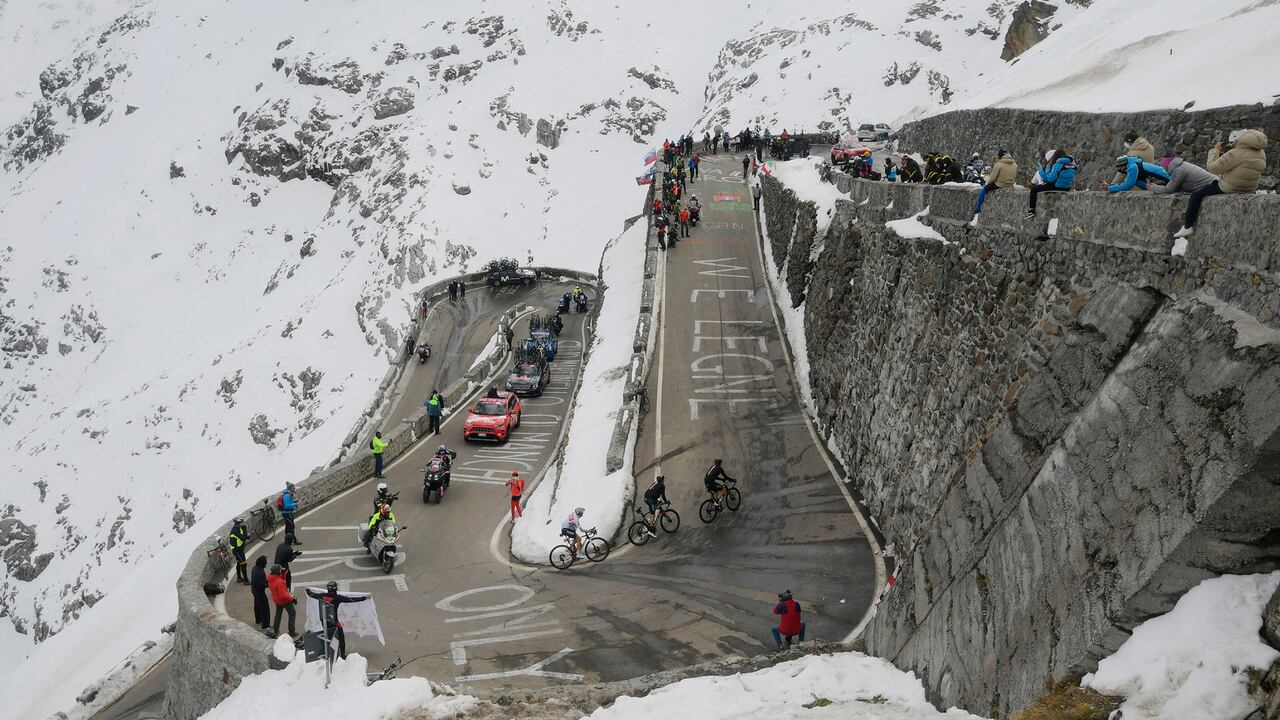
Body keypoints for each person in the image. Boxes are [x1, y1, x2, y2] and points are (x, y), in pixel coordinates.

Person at [1175, 129, 1268, 238]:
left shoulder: (1236, 153)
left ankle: (1188, 226)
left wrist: (1215, 151)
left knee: (1196, 195)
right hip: (1249, 189)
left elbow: (1212, 168)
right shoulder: (1261, 153)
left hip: (1230, 187)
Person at [306, 581, 370, 660]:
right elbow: (351, 599)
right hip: (334, 622)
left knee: (328, 637)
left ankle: (329, 652)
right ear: (335, 589)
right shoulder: (337, 598)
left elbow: (311, 594)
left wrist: (307, 590)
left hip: (324, 621)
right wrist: (365, 598)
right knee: (341, 639)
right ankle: (342, 655)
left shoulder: (322, 596)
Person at [1025, 150, 1077, 218]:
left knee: (1034, 190)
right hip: (1067, 187)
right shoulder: (1073, 165)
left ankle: (1031, 210)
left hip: (1057, 186)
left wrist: (1041, 172)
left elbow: (1050, 179)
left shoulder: (1057, 164)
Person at [971, 149, 1017, 220]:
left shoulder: (999, 164)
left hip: (1000, 184)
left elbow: (992, 178)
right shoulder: (1014, 164)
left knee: (983, 190)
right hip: (1010, 184)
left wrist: (987, 183)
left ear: (1000, 156)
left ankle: (978, 208)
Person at [1150, 155, 1217, 196]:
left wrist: (1153, 188)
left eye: (1163, 167)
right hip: (1213, 183)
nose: (1163, 169)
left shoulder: (1179, 170)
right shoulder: (1181, 165)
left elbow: (1169, 190)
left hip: (1212, 185)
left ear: (1167, 166)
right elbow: (1175, 186)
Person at [1103, 155, 1170, 193]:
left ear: (1124, 165)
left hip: (1166, 181)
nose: (1120, 170)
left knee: (1131, 181)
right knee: (1134, 180)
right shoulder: (1134, 164)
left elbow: (1128, 186)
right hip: (1163, 180)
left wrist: (1110, 188)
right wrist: (1111, 186)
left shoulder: (1133, 167)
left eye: (1120, 168)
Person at [266, 564, 297, 638]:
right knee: (292, 613)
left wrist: (282, 572)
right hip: (284, 600)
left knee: (278, 614)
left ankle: (276, 629)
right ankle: (292, 631)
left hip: (277, 600)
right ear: (277, 572)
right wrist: (292, 599)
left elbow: (281, 578)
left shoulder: (271, 578)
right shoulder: (279, 582)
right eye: (280, 569)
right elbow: (283, 595)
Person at [250, 555, 270, 630]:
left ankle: (258, 620)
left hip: (254, 590)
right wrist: (268, 584)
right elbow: (261, 585)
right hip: (260, 592)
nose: (266, 565)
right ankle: (265, 625)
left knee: (257, 605)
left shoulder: (254, 568)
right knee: (265, 608)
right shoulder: (261, 572)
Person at [228, 517, 249, 584]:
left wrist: (246, 536)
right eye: (242, 522)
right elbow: (243, 538)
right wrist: (244, 529)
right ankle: (246, 580)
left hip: (239, 549)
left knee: (239, 563)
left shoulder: (237, 528)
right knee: (243, 564)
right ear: (239, 523)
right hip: (237, 551)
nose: (243, 523)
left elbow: (243, 536)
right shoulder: (235, 531)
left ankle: (239, 578)